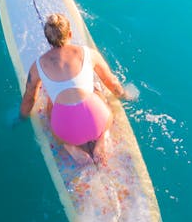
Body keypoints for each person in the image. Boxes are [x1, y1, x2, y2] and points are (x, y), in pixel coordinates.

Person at [19, 13, 129, 165]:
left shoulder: (37, 66)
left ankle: (70, 147)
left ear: (48, 39)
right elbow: (111, 83)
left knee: (51, 103)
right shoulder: (88, 54)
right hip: (97, 122)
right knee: (97, 90)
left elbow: (30, 97)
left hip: (67, 134)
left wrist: (22, 117)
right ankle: (103, 137)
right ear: (70, 33)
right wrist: (124, 95)